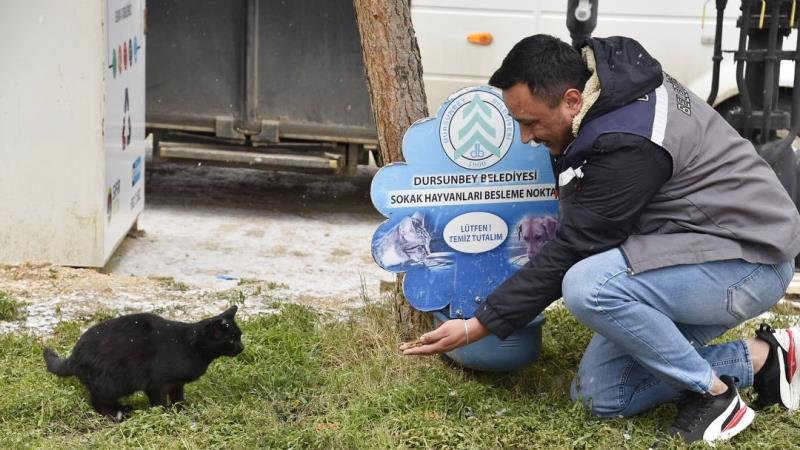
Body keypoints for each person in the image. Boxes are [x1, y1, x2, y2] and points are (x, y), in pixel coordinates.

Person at [402, 34, 800, 444]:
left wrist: (479, 326)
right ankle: (767, 357)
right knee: (602, 394)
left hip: (749, 260)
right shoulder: (609, 87)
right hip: (693, 247)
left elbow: (575, 246)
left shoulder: (629, 142)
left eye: (531, 123)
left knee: (588, 285)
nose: (525, 137)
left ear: (573, 100)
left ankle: (714, 396)